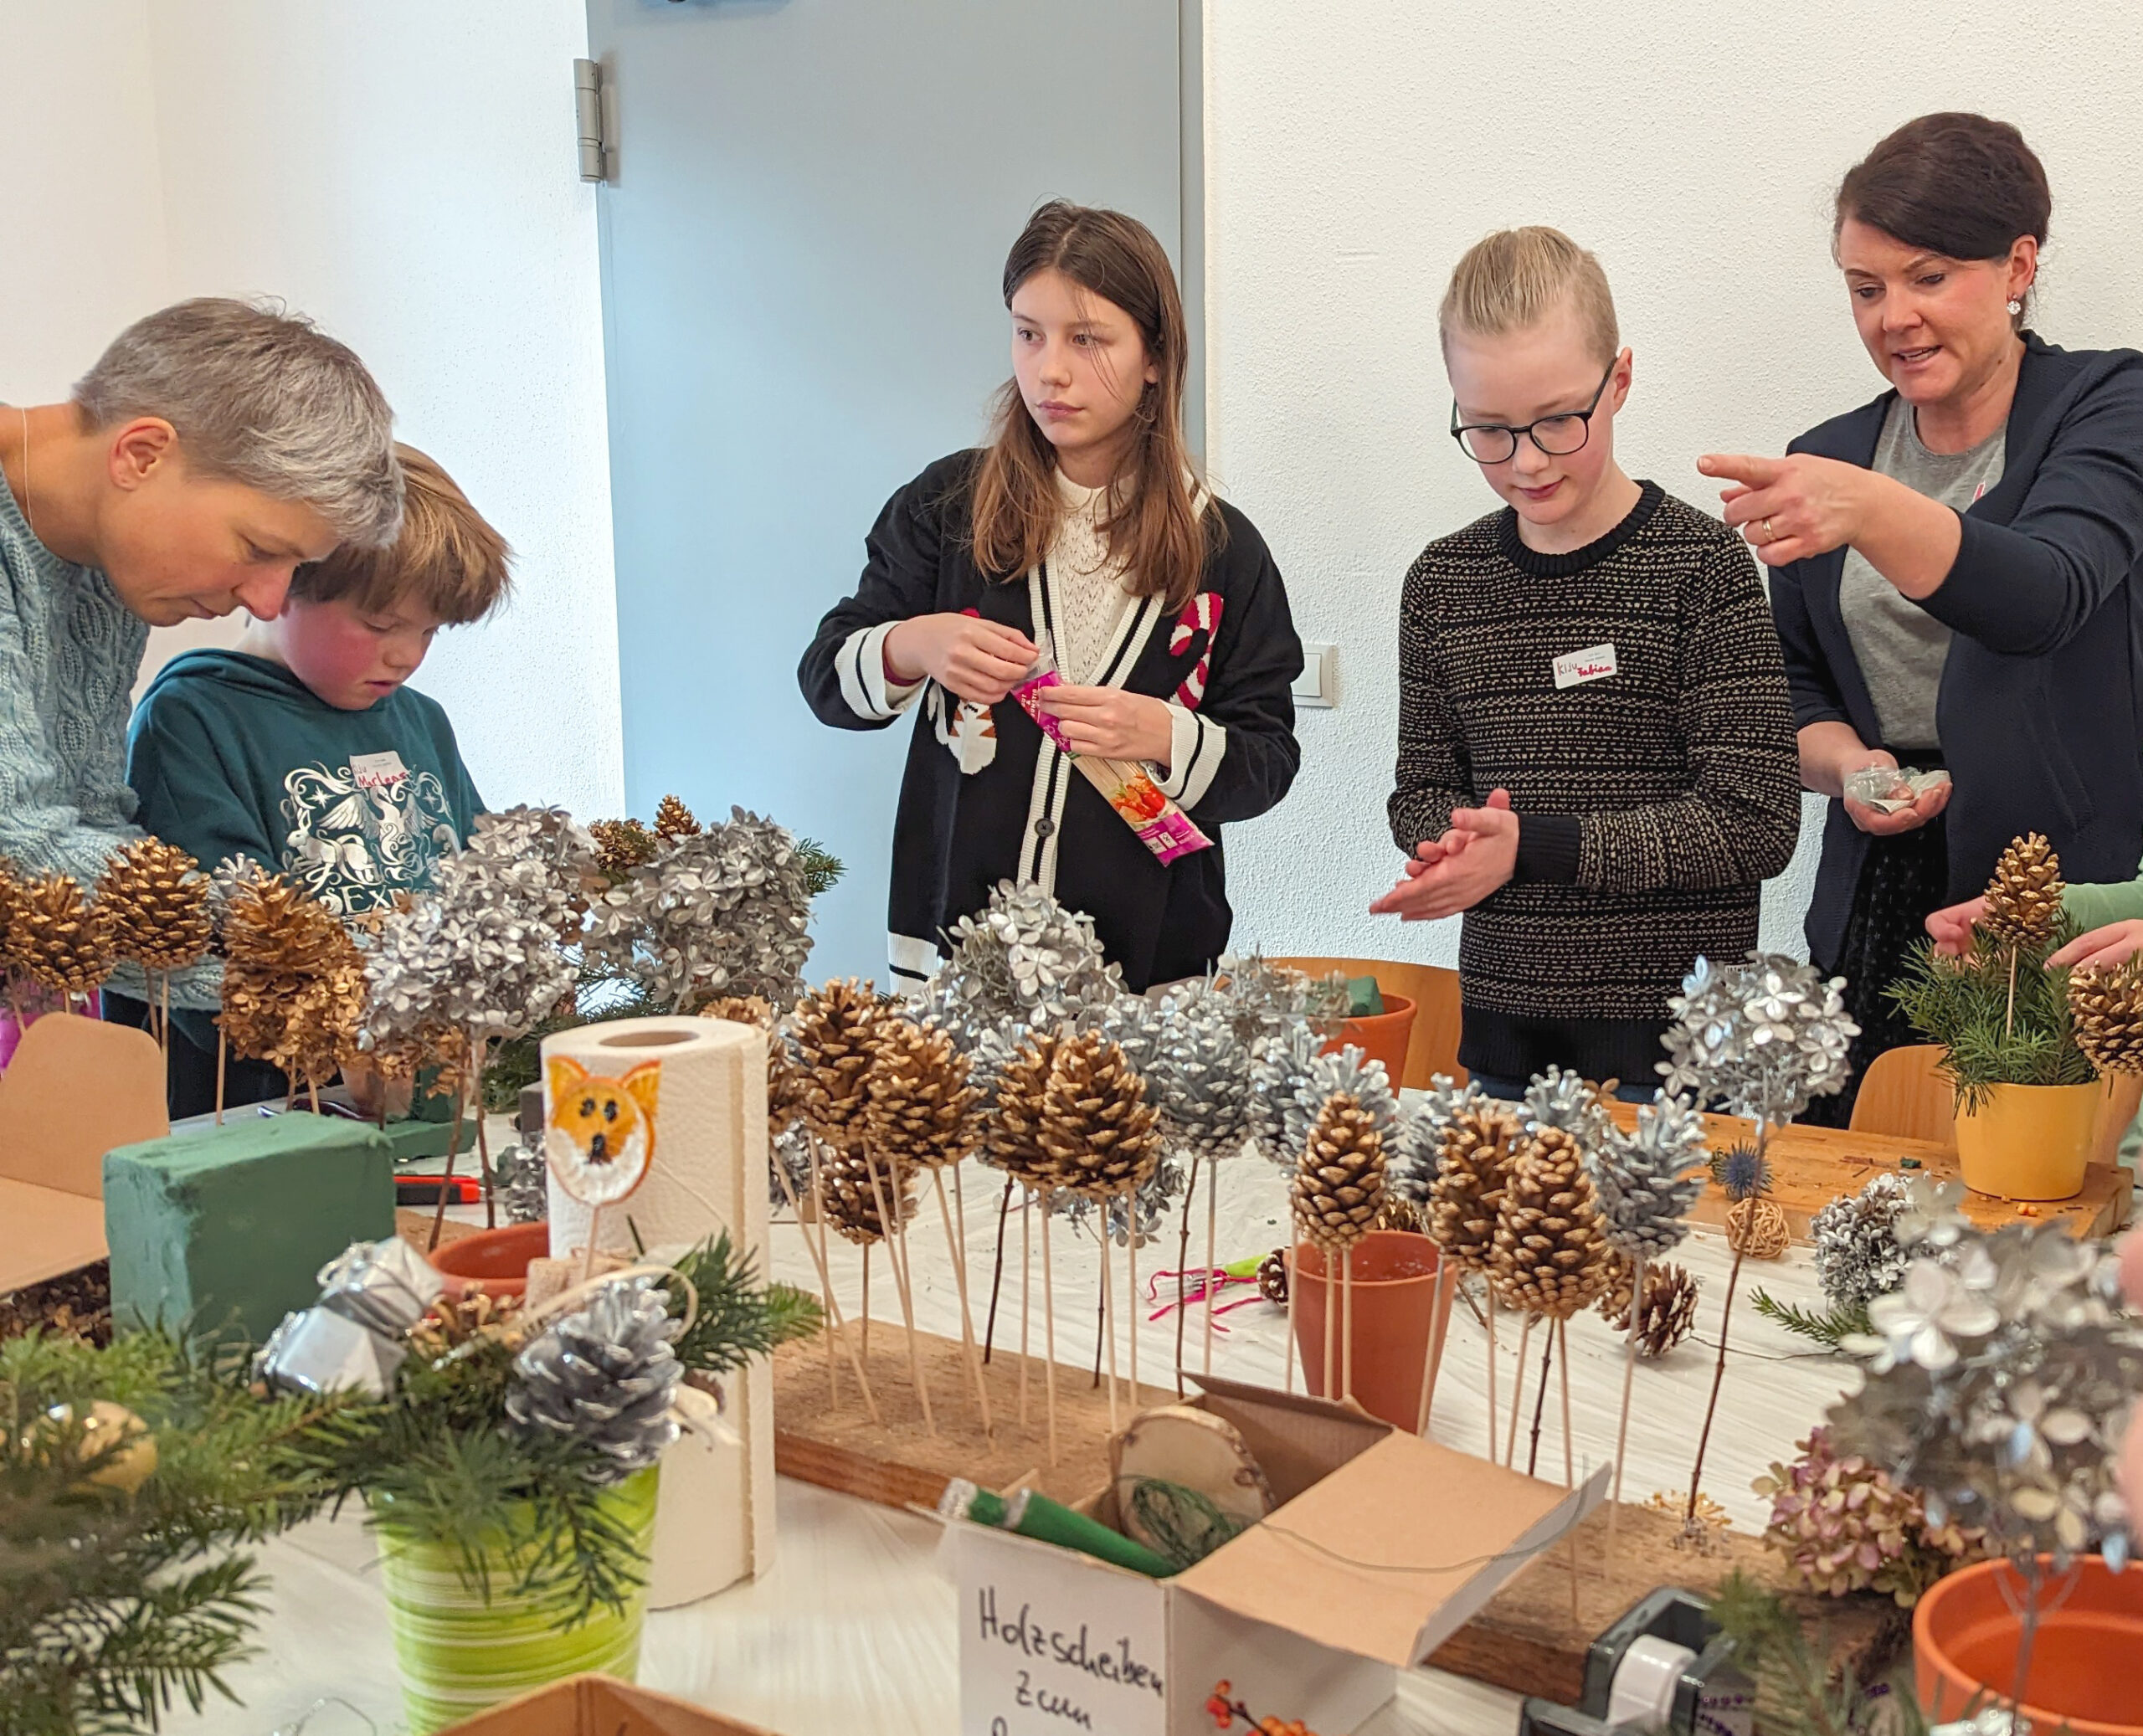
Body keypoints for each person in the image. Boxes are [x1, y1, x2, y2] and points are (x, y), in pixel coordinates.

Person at [1699, 114, 2143, 1122]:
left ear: (2018, 265)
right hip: (1876, 893)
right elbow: (1798, 688)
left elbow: (2044, 594)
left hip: (2059, 899)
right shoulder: (1827, 452)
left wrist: (1873, 509)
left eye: (1928, 277)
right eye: (1865, 288)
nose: (1891, 316)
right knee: (1861, 1196)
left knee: (2025, 1206)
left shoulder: (2110, 403)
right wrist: (1852, 767)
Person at [799, 202, 1303, 993]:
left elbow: (1268, 761)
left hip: (1149, 970)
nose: (1049, 370)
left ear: (1157, 357)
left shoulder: (1224, 550)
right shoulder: (945, 507)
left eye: (1087, 339)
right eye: (1028, 333)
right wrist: (914, 645)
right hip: (959, 961)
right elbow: (827, 680)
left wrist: (1165, 733)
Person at [1373, 227, 1800, 1100]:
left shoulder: (1701, 567)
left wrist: (1531, 847)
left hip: (1682, 1050)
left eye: (1558, 420)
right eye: (1489, 430)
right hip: (1505, 1036)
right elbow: (1418, 789)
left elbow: (1757, 821)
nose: (1526, 461)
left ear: (1621, 381)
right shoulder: (1443, 582)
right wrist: (1452, 844)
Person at [118, 444, 508, 1117]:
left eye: (430, 631)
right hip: (257, 1116)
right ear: (283, 584)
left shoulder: (421, 723)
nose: (407, 656)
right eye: (381, 624)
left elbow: (481, 891)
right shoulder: (191, 721)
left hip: (419, 1102)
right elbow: (211, 967)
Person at [0, 299, 401, 893]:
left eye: (297, 566)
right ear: (142, 455)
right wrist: (328, 957)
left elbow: (93, 821)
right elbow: (20, 851)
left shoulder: (111, 556)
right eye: (258, 547)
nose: (267, 603)